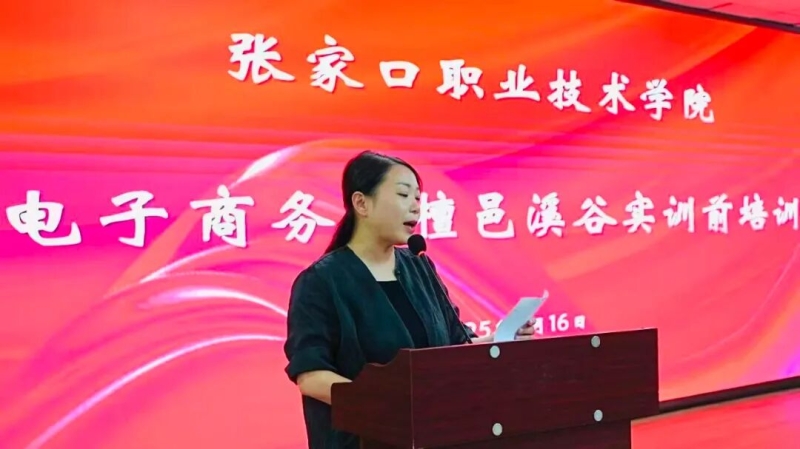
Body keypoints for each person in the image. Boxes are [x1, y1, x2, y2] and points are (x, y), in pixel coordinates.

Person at [283, 150, 533, 449]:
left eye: (418, 198)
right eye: (403, 195)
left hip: (433, 435)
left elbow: (452, 346)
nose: (415, 207)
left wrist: (501, 338)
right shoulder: (321, 281)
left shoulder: (419, 267)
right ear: (361, 203)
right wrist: (384, 407)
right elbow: (311, 376)